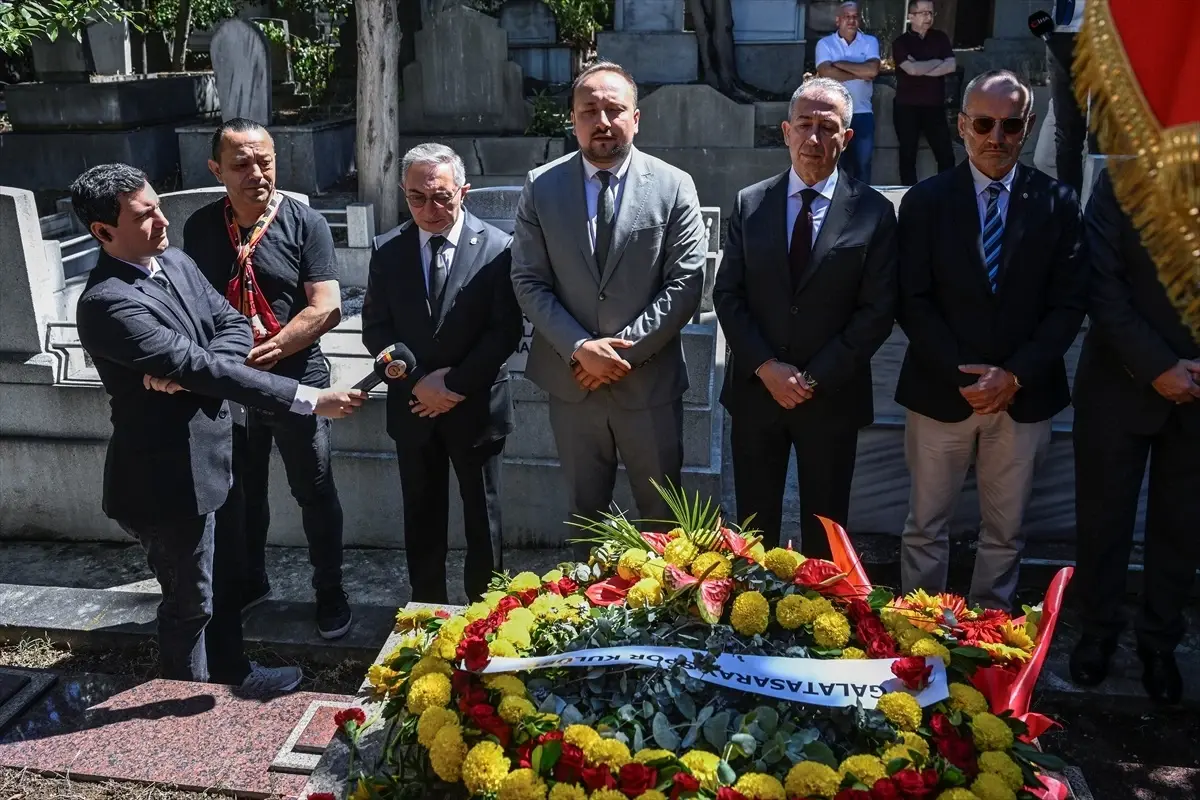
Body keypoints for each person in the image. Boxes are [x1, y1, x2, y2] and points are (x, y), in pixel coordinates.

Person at [71, 163, 364, 690]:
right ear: (103, 232)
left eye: (158, 205)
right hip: (166, 480)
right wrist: (306, 398)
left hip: (214, 459)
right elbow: (203, 368)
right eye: (144, 215)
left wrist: (194, 372)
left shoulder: (174, 262)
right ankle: (190, 726)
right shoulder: (107, 303)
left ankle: (234, 675)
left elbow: (228, 325)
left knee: (226, 584)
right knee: (190, 605)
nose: (162, 220)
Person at [894, 70, 1087, 611]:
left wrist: (1014, 374)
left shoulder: (1057, 203)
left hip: (1024, 397)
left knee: (1006, 533)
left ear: (1026, 128)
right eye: (983, 123)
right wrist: (967, 374)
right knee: (925, 527)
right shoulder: (926, 202)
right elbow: (912, 299)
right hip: (941, 393)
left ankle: (990, 637)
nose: (995, 137)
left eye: (1010, 125)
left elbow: (1069, 303)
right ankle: (918, 632)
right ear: (961, 127)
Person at [510, 60, 707, 559]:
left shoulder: (673, 185)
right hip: (573, 387)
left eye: (614, 109)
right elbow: (528, 279)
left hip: (648, 385)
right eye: (589, 110)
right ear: (573, 119)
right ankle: (588, 625)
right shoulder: (542, 185)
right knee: (584, 523)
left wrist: (616, 355)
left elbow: (685, 284)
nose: (602, 121)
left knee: (665, 528)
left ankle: (666, 623)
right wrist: (580, 348)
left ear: (635, 118)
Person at [713, 77, 896, 558]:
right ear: (786, 131)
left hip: (832, 400)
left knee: (826, 538)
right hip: (757, 395)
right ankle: (752, 628)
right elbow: (728, 294)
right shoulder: (749, 203)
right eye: (805, 125)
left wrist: (812, 378)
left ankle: (821, 626)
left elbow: (877, 311)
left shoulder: (874, 213)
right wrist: (765, 367)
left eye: (827, 127)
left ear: (847, 137)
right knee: (753, 537)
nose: (814, 138)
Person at [183, 118, 352, 640]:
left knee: (314, 489)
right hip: (230, 380)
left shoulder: (305, 223)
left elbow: (327, 306)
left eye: (266, 161)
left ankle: (330, 591)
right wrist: (228, 361)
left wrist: (276, 347)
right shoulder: (200, 228)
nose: (257, 173)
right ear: (216, 169)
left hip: (297, 378)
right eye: (241, 164)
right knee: (241, 493)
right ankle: (250, 581)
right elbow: (196, 306)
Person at [361, 143, 523, 604]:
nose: (429, 209)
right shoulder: (387, 250)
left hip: (475, 407)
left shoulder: (497, 248)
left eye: (441, 197)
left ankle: (487, 614)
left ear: (463, 192)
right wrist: (419, 383)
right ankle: (426, 609)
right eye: (416, 198)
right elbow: (377, 330)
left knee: (482, 519)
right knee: (422, 515)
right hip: (414, 408)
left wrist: (451, 385)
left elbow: (503, 332)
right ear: (403, 193)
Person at [1069, 170, 1199, 705]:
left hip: (1198, 391)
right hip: (1119, 385)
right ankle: (1097, 632)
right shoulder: (1121, 180)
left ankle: (1159, 643)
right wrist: (1158, 365)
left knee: (1182, 524)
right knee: (1103, 520)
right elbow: (1102, 284)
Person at [891, 0, 957, 185]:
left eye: (930, 13)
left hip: (934, 106)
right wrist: (937, 62)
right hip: (907, 106)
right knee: (907, 154)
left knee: (945, 154)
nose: (928, 17)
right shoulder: (901, 42)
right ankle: (909, 194)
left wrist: (920, 67)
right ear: (911, 16)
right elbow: (910, 70)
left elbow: (951, 65)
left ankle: (945, 192)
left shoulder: (940, 38)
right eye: (923, 13)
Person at [815, 2, 881, 183]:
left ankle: (862, 206)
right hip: (834, 115)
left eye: (855, 16)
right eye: (847, 16)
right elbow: (825, 73)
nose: (851, 20)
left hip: (863, 113)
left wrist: (839, 63)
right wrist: (860, 71)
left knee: (863, 165)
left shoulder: (870, 42)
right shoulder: (825, 44)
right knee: (836, 164)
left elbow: (873, 71)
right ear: (838, 20)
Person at [1047, 0, 1088, 192]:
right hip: (1060, 34)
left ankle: (1099, 211)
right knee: (1066, 133)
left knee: (1102, 133)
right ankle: (1070, 207)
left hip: (1102, 34)